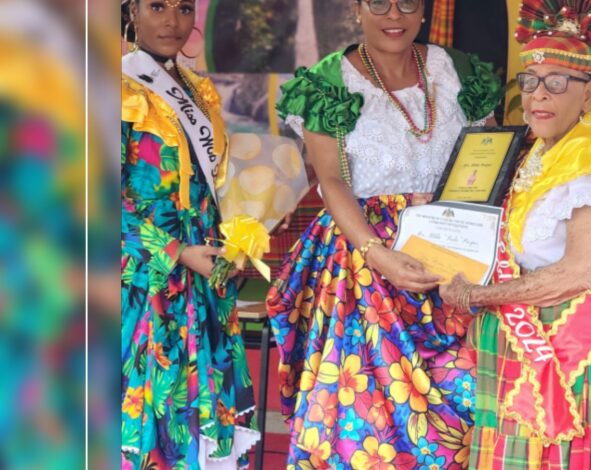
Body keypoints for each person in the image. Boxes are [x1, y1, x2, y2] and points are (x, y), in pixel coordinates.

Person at [266, 0, 502, 466]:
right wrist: (376, 252)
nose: (394, 14)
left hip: (457, 255)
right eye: (378, 2)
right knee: (366, 410)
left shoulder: (459, 71)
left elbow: (491, 154)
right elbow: (331, 179)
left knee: (472, 397)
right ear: (356, 8)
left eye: (407, 2)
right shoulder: (329, 82)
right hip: (367, 258)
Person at [439, 1, 591, 468]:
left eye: (556, 82)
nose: (538, 95)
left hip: (568, 343)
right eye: (531, 80)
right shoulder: (538, 150)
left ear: (588, 93)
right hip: (517, 332)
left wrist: (479, 295)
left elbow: (578, 273)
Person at [120, 0, 259, 467]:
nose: (172, 21)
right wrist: (176, 251)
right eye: (157, 6)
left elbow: (213, 185)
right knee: (151, 416)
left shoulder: (197, 91)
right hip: (145, 277)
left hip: (205, 273)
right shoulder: (112, 87)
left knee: (204, 412)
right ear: (131, 11)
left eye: (182, 7)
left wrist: (235, 244)